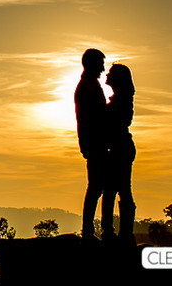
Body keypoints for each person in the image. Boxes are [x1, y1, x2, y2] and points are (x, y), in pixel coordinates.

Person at [74, 48, 108, 240]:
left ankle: (90, 230)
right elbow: (86, 119)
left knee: (97, 187)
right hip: (94, 143)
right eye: (100, 64)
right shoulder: (86, 87)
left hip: (96, 142)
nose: (103, 68)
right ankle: (88, 231)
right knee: (96, 187)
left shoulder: (91, 84)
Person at [104, 62, 136, 244]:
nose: (106, 75)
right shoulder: (120, 98)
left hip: (121, 148)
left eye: (110, 73)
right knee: (119, 190)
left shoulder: (122, 100)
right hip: (121, 147)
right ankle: (120, 232)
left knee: (116, 190)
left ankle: (117, 232)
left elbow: (118, 123)